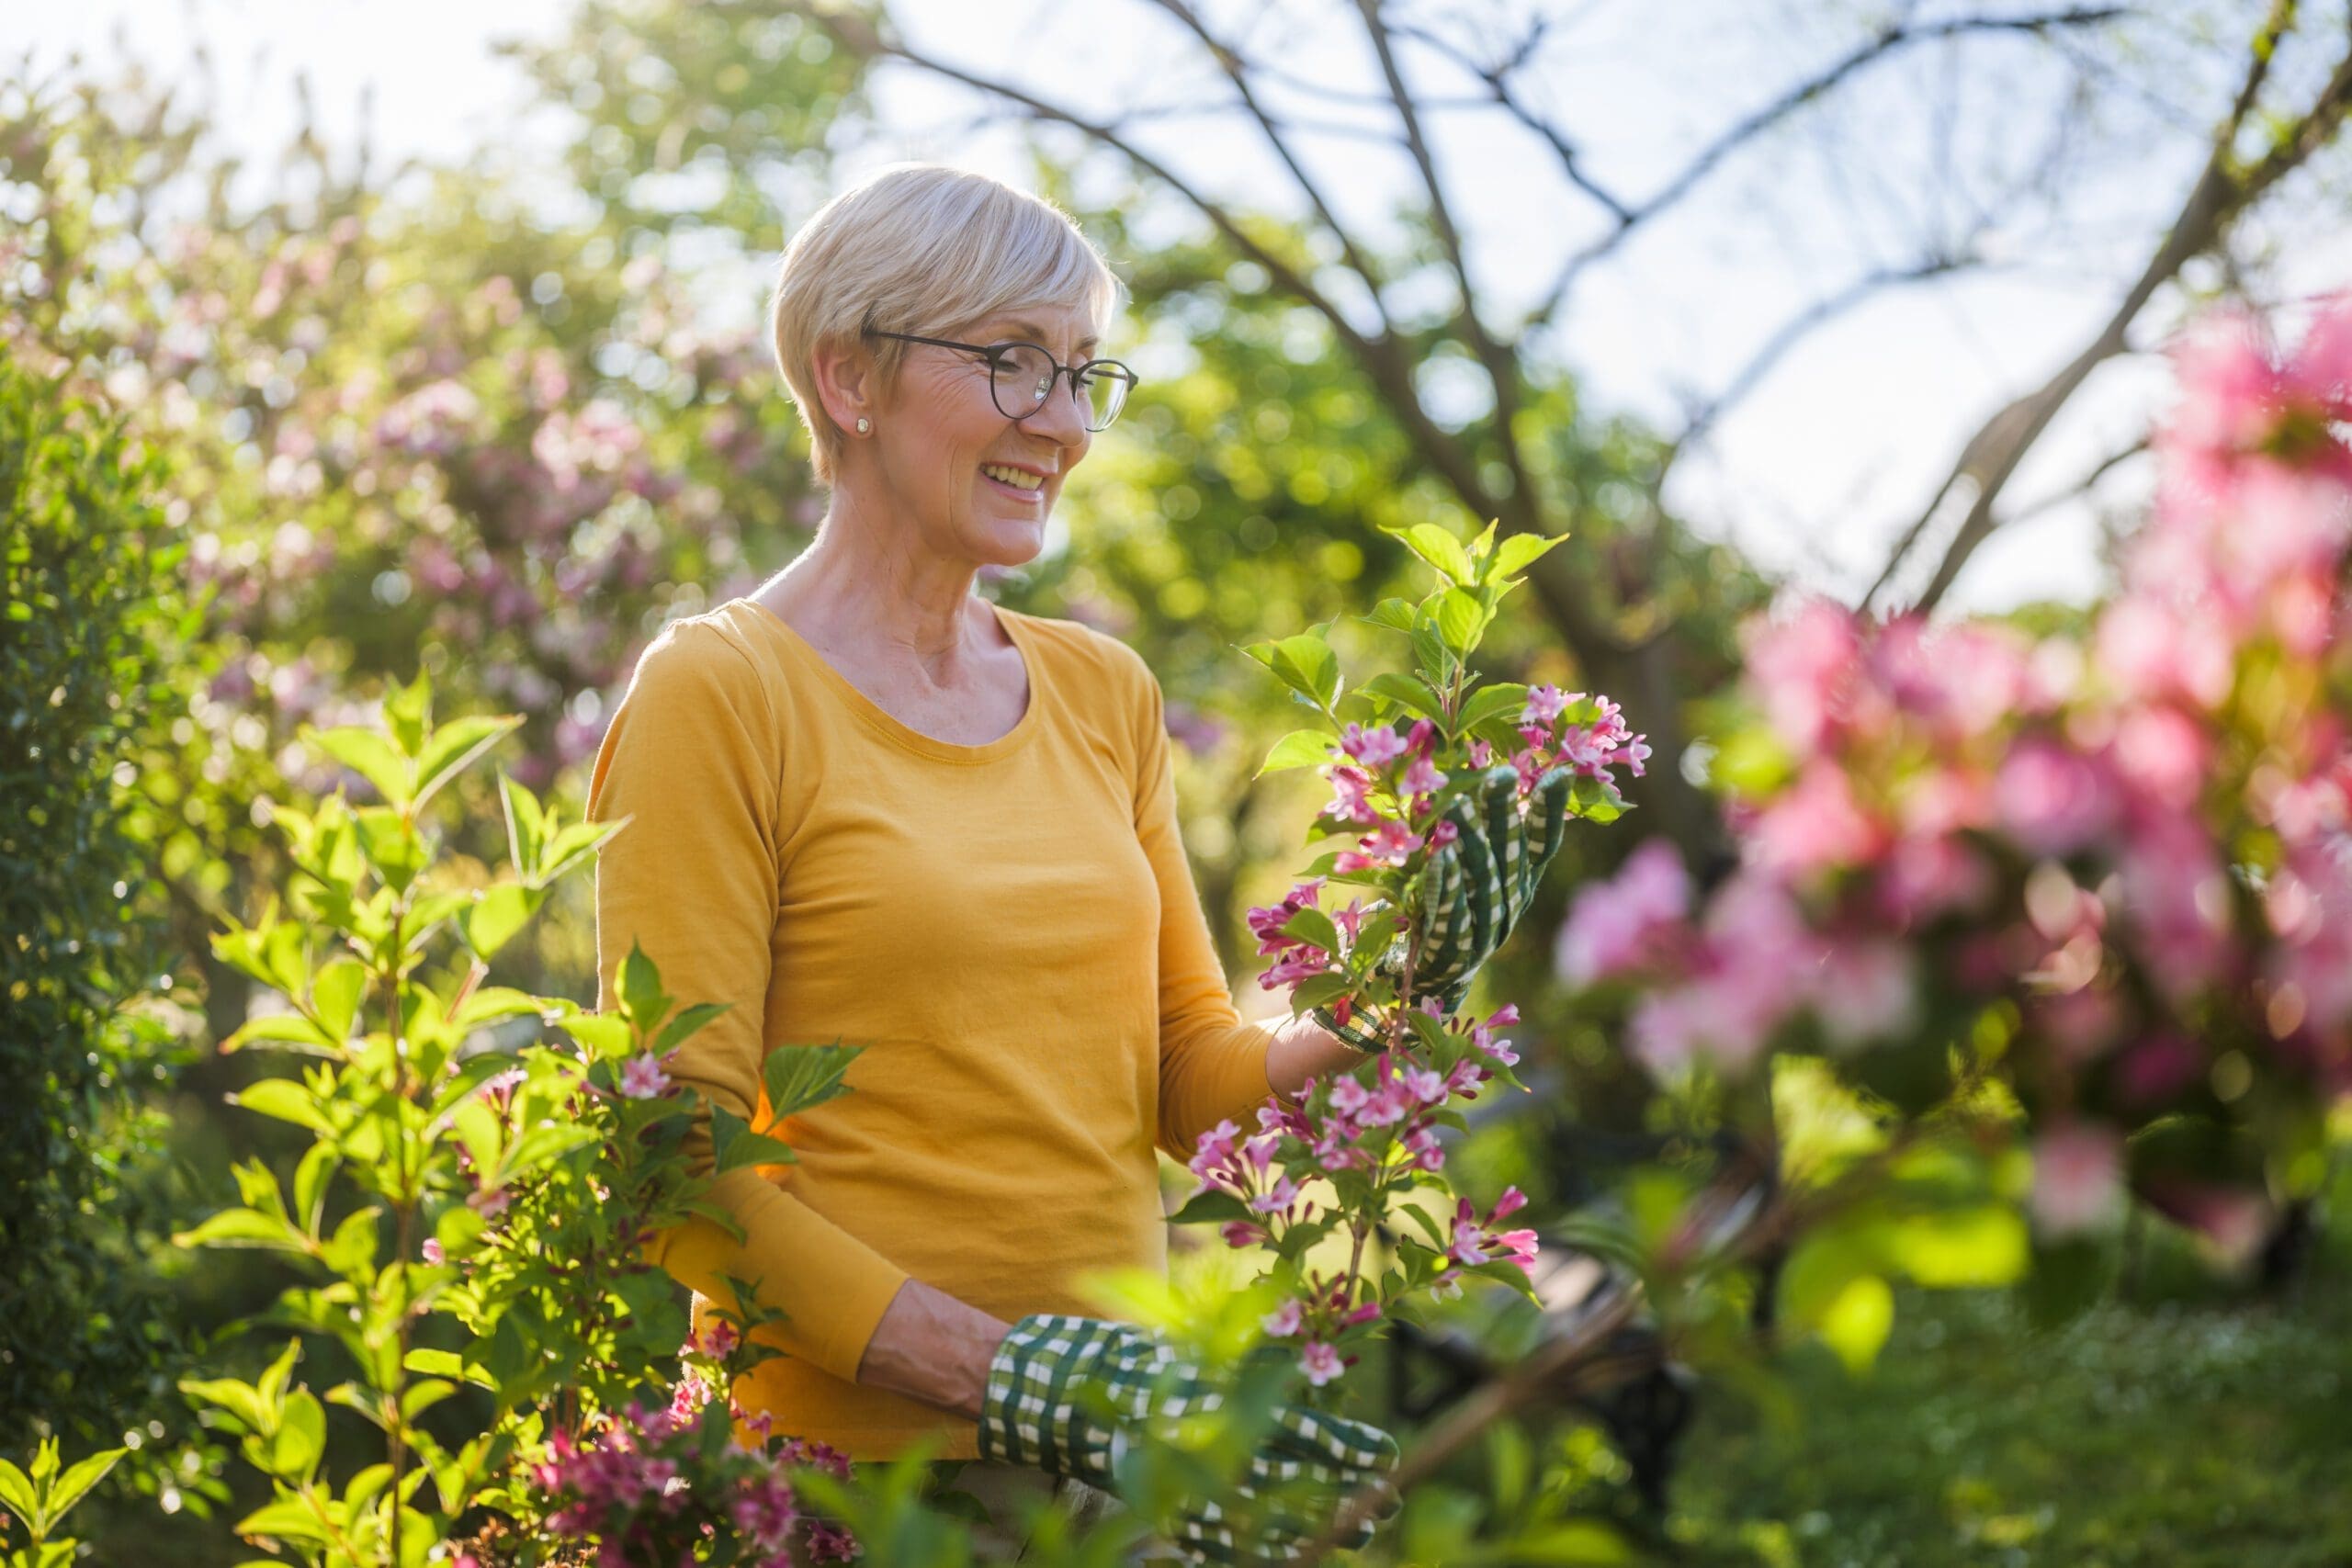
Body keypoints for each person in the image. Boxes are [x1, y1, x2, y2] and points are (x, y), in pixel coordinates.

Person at [587, 163, 1551, 1564]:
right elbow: (678, 1159)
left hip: (1124, 1458)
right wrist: (1010, 1380)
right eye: (1011, 364)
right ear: (847, 374)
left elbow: (1186, 1078)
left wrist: (1394, 979)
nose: (1064, 424)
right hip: (860, 1483)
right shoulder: (723, 695)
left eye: (1082, 373)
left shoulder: (1103, 693)